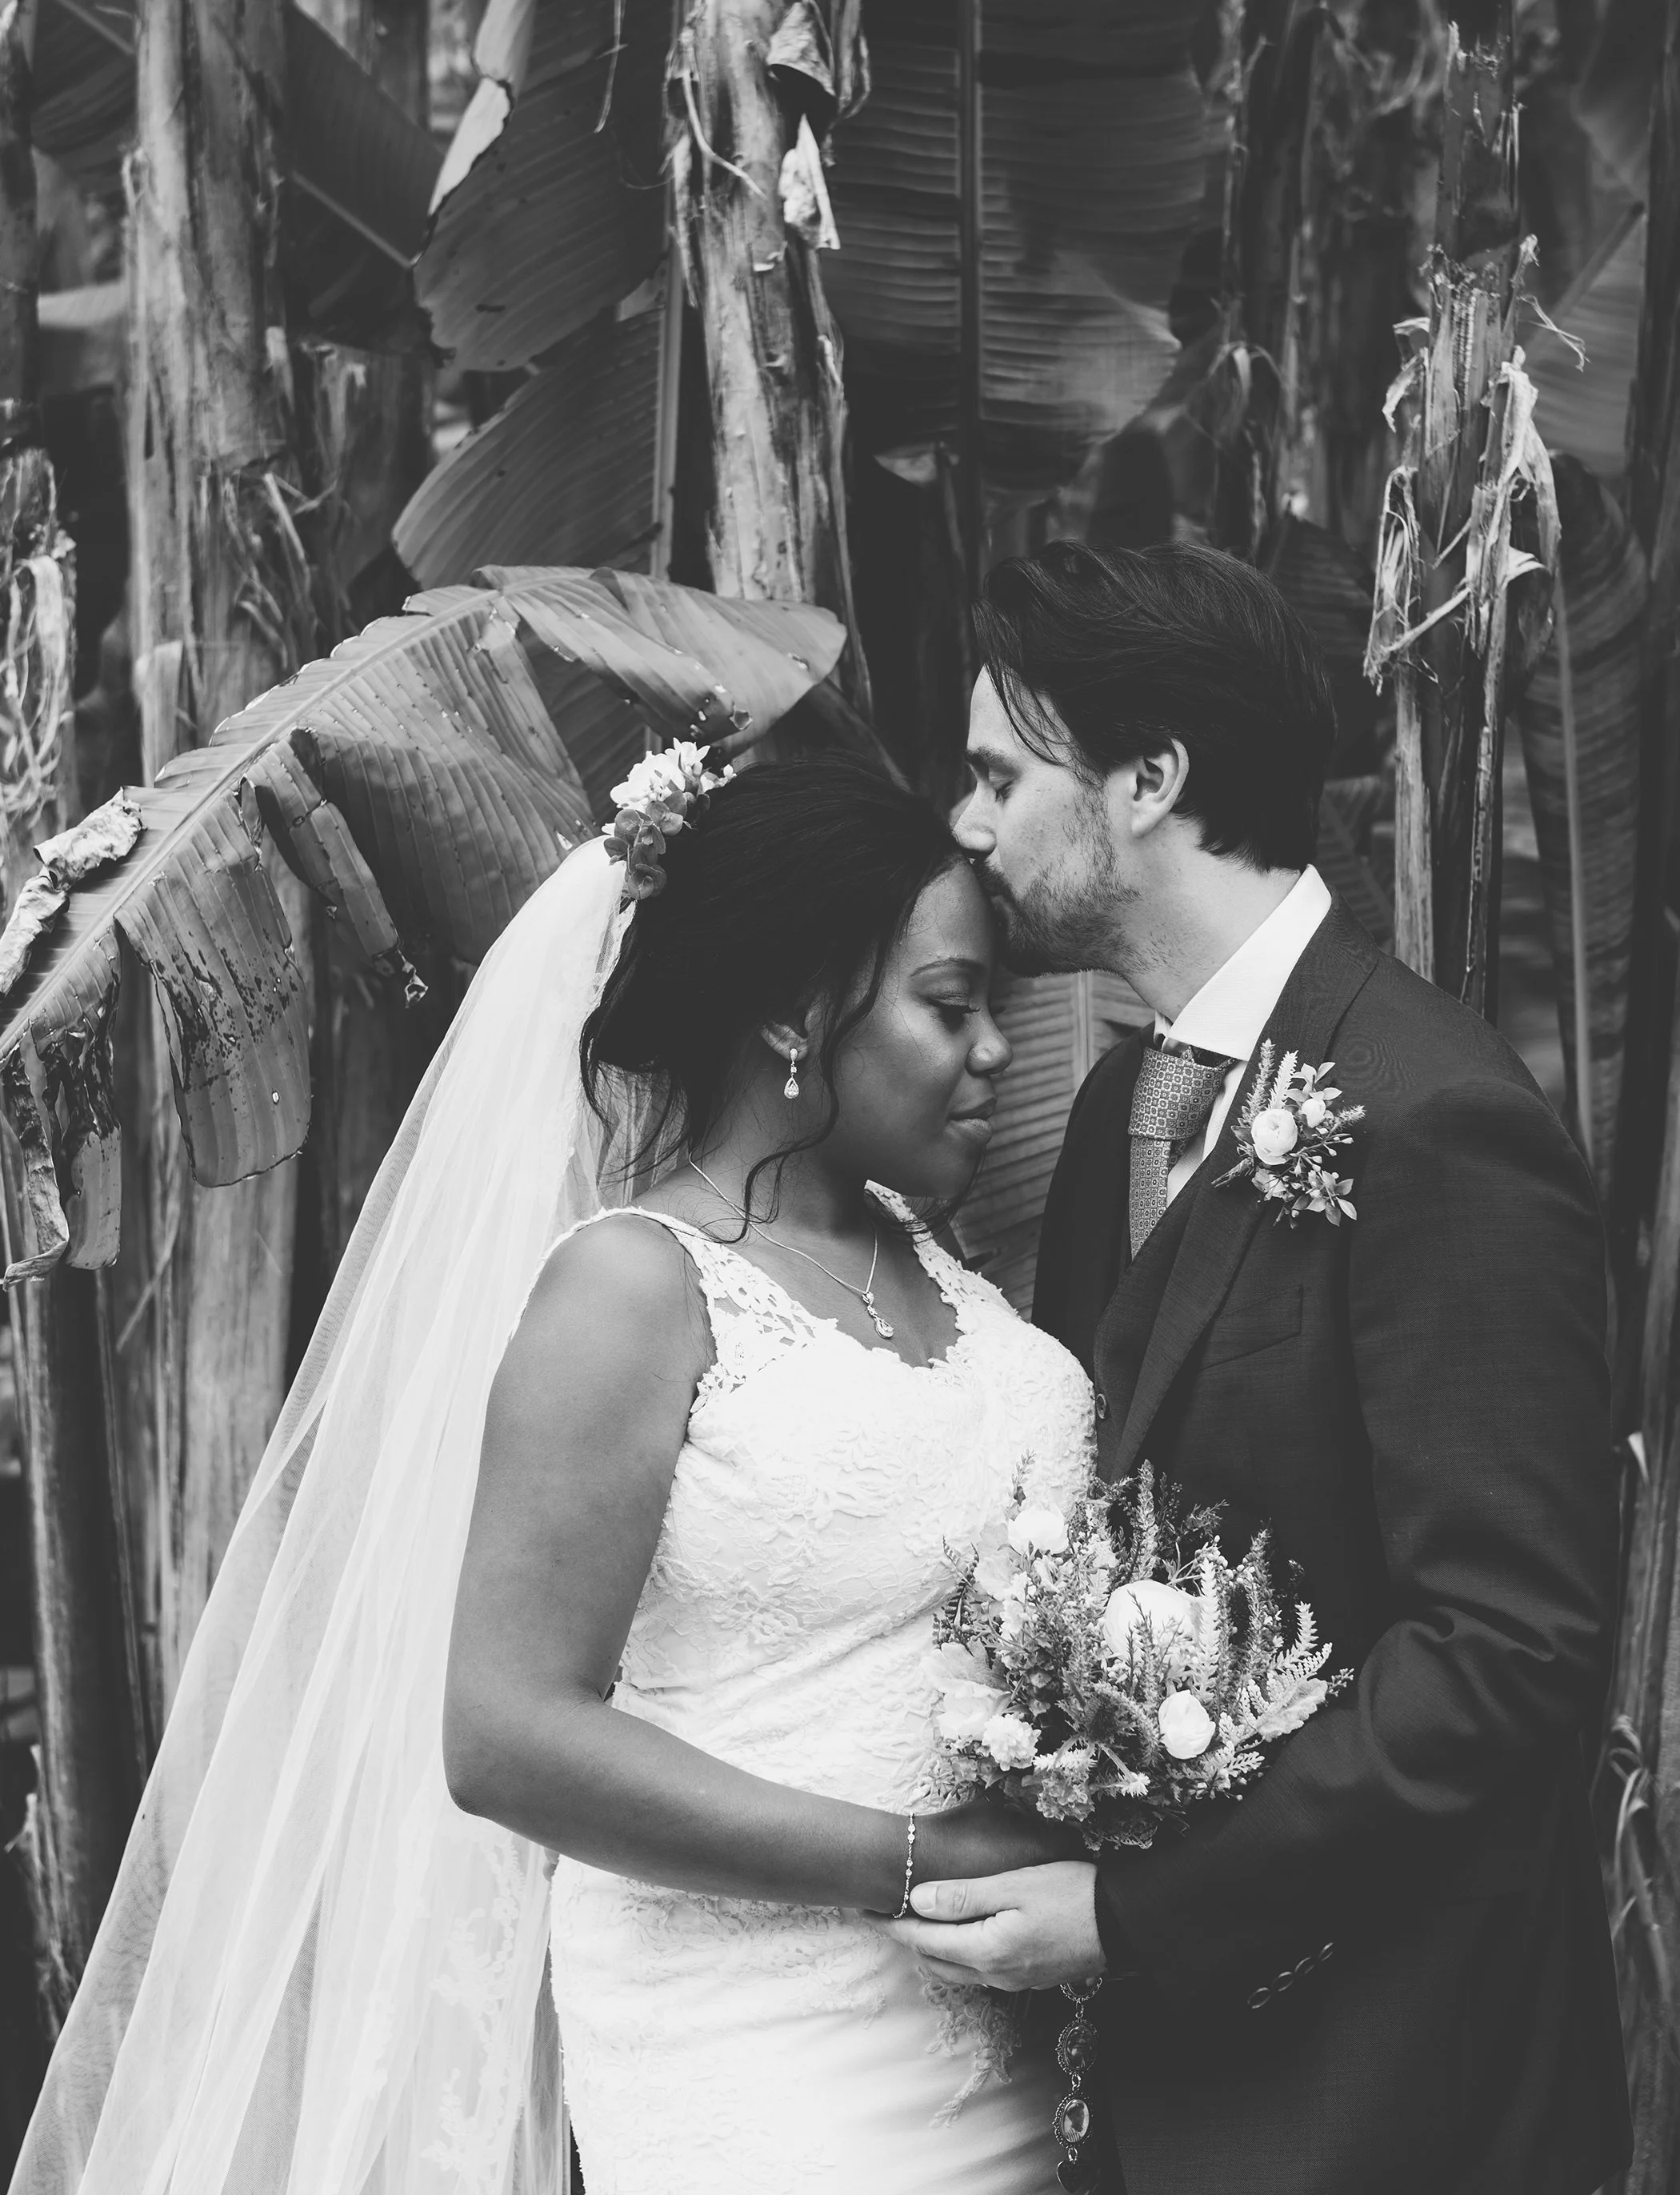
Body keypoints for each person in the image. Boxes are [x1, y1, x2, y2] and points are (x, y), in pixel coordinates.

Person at [8, 753, 1097, 2195]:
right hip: (772, 2056)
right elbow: (506, 1735)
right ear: (791, 1009)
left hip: (1020, 2025)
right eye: (950, 1008)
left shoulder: (931, 1260)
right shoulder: (635, 1292)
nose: (998, 1053)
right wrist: (920, 1855)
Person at [883, 540, 1632, 2195]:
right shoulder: (1116, 1114)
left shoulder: (1440, 1121)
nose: (968, 820)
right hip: (1173, 2090)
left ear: (1150, 780)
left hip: (1396, 2085)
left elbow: (1509, 1651)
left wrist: (1144, 1913)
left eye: (1005, 773)